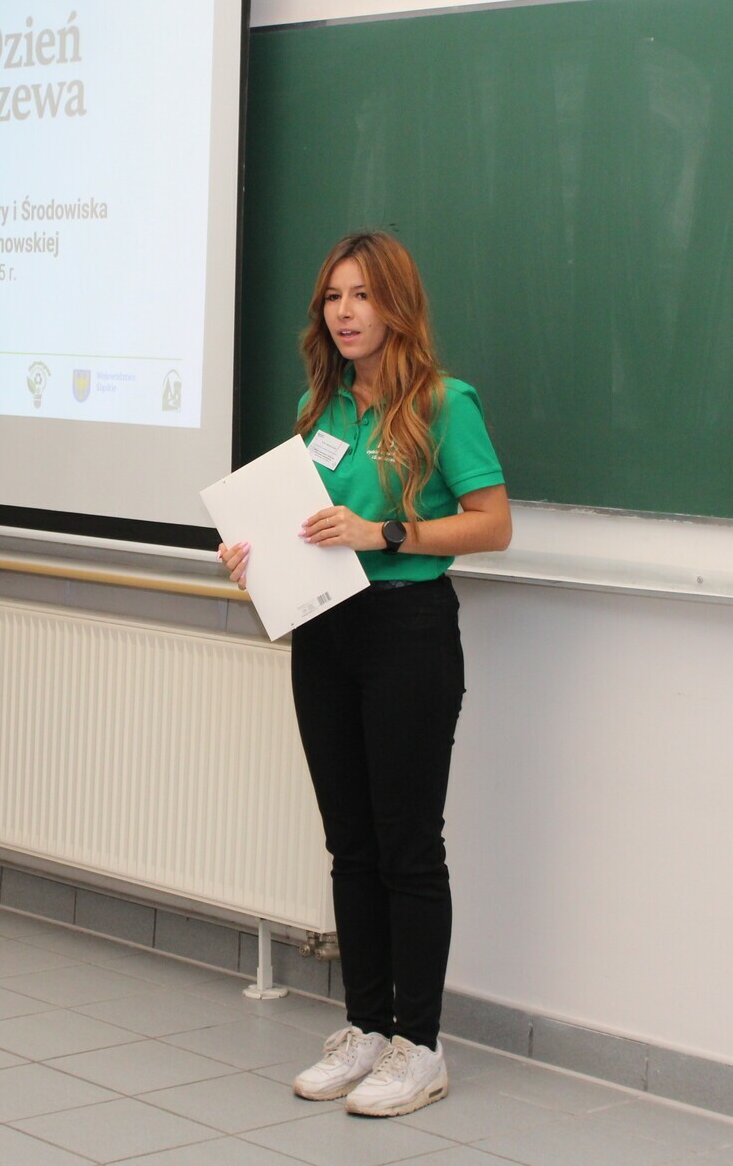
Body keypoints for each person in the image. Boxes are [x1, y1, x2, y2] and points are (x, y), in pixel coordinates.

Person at [219, 231, 510, 1117]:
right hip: (326, 629)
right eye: (333, 298)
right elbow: (304, 529)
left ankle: (421, 1046)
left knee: (407, 844)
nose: (344, 313)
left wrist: (384, 533)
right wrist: (252, 557)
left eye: (361, 296)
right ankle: (367, 1030)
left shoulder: (444, 403)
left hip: (408, 630)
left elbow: (493, 524)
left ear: (396, 305)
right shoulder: (320, 406)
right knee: (350, 842)